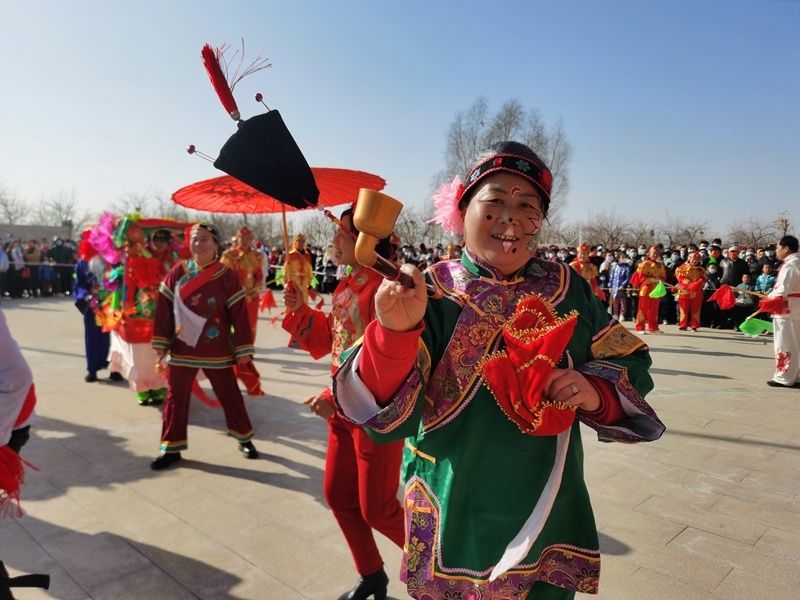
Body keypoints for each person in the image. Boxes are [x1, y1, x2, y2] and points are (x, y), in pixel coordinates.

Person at [332, 141, 664, 599]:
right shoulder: (430, 292)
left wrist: (593, 389)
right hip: (453, 499)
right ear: (461, 211)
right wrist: (393, 331)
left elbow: (630, 357)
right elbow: (381, 411)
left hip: (548, 503)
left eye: (527, 205)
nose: (511, 217)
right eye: (494, 202)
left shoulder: (570, 289)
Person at [282, 206, 405, 600]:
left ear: (367, 243)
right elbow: (335, 344)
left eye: (342, 234)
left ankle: (446, 567)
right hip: (342, 411)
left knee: (380, 509)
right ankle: (372, 574)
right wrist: (299, 309)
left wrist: (333, 397)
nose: (334, 240)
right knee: (338, 495)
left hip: (374, 416)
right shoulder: (348, 285)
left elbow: (377, 362)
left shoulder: (385, 292)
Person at [150, 223, 259, 469]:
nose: (199, 244)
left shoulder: (226, 275)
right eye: (196, 240)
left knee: (229, 394)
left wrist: (243, 349)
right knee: (175, 397)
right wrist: (161, 343)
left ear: (216, 244)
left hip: (216, 348)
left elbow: (239, 314)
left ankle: (245, 438)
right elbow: (164, 309)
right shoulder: (178, 272)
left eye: (206, 239)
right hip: (181, 347)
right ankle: (171, 447)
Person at [220, 226, 265, 396]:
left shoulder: (256, 256)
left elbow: (259, 275)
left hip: (252, 297)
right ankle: (234, 351)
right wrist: (238, 291)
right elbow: (226, 277)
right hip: (234, 297)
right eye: (242, 239)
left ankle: (247, 351)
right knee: (234, 325)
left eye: (248, 239)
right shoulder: (229, 256)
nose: (245, 242)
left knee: (250, 325)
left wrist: (256, 288)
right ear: (236, 239)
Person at [73, 231, 114, 382]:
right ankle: (92, 370)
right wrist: (86, 296)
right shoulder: (83, 264)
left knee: (114, 339)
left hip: (112, 305)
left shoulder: (112, 260)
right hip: (93, 305)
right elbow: (80, 285)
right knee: (92, 337)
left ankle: (116, 368)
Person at [765, 235, 800, 388]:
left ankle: (785, 376)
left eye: (778, 248)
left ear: (786, 249)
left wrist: (770, 296)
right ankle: (795, 375)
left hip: (787, 309)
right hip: (793, 307)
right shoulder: (795, 262)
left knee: (785, 343)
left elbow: (783, 289)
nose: (776, 251)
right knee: (795, 344)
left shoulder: (791, 264)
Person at [631, 246, 666, 334]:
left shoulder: (660, 265)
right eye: (653, 253)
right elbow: (641, 277)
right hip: (646, 289)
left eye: (657, 253)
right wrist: (652, 279)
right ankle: (640, 327)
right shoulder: (644, 264)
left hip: (656, 289)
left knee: (654, 309)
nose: (655, 255)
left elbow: (663, 276)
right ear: (649, 254)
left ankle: (653, 328)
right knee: (643, 309)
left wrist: (661, 280)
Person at [674, 252, 706, 331]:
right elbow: (680, 278)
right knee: (683, 309)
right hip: (684, 291)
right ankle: (683, 325)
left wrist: (701, 282)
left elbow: (704, 278)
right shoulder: (682, 268)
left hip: (696, 292)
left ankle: (694, 325)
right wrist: (690, 284)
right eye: (693, 259)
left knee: (696, 310)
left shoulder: (701, 269)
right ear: (689, 258)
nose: (695, 261)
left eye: (697, 259)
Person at [608, 251, 631, 321]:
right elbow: (611, 277)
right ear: (618, 258)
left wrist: (623, 285)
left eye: (625, 257)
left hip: (622, 287)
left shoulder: (627, 267)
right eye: (622, 257)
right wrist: (610, 285)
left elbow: (628, 277)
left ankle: (622, 315)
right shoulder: (614, 266)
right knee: (615, 301)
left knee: (623, 301)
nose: (623, 259)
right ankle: (615, 314)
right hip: (614, 287)